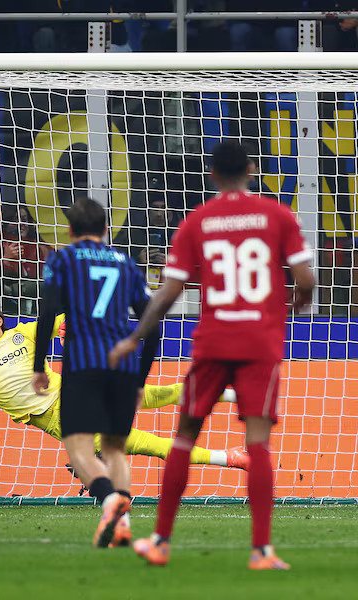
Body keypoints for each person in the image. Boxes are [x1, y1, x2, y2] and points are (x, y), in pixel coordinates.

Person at [0, 262, 247, 525]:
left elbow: (66, 316)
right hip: (56, 417)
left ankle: (227, 395)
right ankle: (229, 456)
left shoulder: (23, 334)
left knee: (146, 395)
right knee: (145, 443)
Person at [109, 141, 316, 570]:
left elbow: (168, 291)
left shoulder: (197, 222)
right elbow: (305, 278)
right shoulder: (279, 216)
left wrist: (136, 336)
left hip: (214, 342)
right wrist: (291, 306)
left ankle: (162, 542)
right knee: (258, 443)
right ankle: (261, 551)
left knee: (184, 437)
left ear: (211, 175)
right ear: (253, 170)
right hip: (260, 343)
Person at [25, 197, 158, 547]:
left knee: (80, 449)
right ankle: (124, 523)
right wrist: (140, 379)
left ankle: (108, 499)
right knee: (115, 450)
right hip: (123, 368)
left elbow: (48, 312)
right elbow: (152, 324)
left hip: (83, 364)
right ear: (104, 229)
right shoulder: (127, 264)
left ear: (70, 230)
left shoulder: (62, 259)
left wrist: (39, 366)